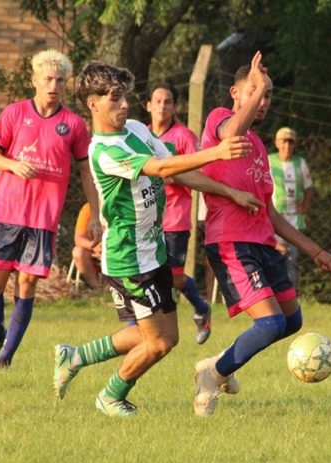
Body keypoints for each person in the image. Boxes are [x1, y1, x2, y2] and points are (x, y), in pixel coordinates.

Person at [52, 61, 262, 417]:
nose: (124, 106)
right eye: (114, 99)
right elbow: (159, 170)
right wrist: (217, 152)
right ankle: (110, 396)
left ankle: (74, 356)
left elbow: (179, 171)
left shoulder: (135, 128)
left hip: (153, 252)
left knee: (154, 336)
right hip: (130, 261)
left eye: (125, 98)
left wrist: (229, 192)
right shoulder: (103, 150)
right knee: (161, 341)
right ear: (92, 103)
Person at [193, 52, 331, 417]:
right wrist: (257, 85)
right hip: (230, 242)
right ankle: (213, 375)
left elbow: (270, 212)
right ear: (235, 92)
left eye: (269, 95)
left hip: (262, 243)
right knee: (271, 322)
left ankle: (217, 363)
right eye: (256, 91)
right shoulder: (220, 121)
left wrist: (315, 250)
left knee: (292, 321)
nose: (263, 101)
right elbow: (229, 134)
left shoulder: (259, 146)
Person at [0, 49, 101, 369]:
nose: (54, 85)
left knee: (27, 284)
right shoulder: (14, 114)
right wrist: (13, 165)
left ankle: (5, 357)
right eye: (47, 78)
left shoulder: (74, 125)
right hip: (6, 213)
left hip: (43, 219)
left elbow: (86, 172)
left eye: (60, 80)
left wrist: (96, 215)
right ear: (34, 80)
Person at [146, 84, 212, 343]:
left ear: (174, 107)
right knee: (146, 272)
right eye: (158, 101)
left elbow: (199, 173)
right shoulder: (140, 135)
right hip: (147, 217)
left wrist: (171, 175)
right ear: (148, 105)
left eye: (168, 101)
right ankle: (144, 326)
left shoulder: (184, 137)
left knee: (174, 277)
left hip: (175, 217)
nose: (162, 106)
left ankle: (202, 307)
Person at [268, 126, 315, 287]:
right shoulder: (269, 161)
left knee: (292, 259)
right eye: (284, 142)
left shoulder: (300, 163)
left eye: (290, 142)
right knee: (273, 257)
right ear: (277, 143)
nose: (287, 146)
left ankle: (291, 294)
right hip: (273, 217)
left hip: (294, 217)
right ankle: (273, 292)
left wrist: (305, 206)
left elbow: (309, 188)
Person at [72, 202, 102, 290]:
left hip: (114, 249)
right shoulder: (88, 208)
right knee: (78, 252)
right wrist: (94, 246)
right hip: (94, 251)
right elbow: (78, 239)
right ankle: (97, 288)